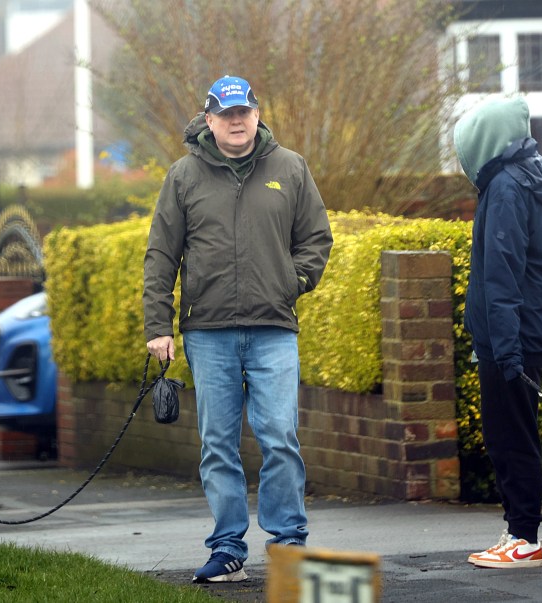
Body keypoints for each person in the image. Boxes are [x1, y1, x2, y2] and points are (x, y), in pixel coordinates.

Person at [143, 75, 333, 583]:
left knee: (279, 436)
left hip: (273, 327)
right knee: (218, 443)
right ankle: (227, 549)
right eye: (226, 114)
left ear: (256, 115)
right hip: (207, 330)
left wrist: (290, 283)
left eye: (243, 113)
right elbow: (161, 254)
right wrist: (158, 325)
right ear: (209, 119)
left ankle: (289, 546)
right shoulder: (183, 176)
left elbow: (316, 237)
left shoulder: (290, 168)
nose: (236, 121)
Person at [452, 96, 542, 569]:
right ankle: (518, 531)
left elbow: (502, 275)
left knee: (510, 436)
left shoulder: (504, 186)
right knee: (511, 433)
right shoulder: (527, 176)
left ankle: (525, 538)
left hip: (513, 338)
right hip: (522, 332)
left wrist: (505, 350)